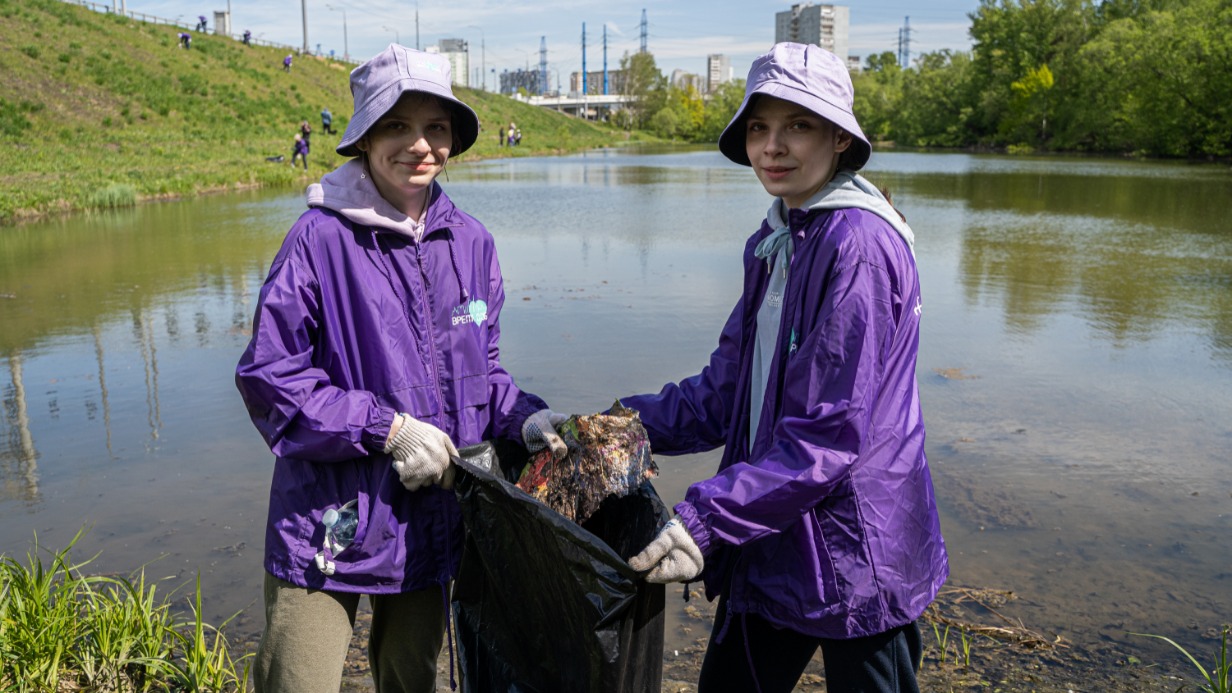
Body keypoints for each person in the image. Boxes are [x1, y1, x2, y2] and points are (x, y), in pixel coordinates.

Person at [235, 43, 569, 693]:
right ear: (362, 138)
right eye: (396, 125)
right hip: (325, 522)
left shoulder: (471, 243)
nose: (419, 144)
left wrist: (529, 419)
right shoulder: (319, 239)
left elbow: (484, 377)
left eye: (435, 127)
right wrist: (387, 429)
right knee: (295, 679)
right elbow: (271, 375)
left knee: (411, 677)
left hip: (426, 519)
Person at [622, 42, 948, 693]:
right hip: (772, 531)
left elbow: (829, 434)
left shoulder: (856, 244)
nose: (773, 146)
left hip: (856, 549)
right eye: (759, 127)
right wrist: (619, 424)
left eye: (797, 125)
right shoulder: (777, 239)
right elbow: (723, 394)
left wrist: (703, 520)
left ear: (838, 139)